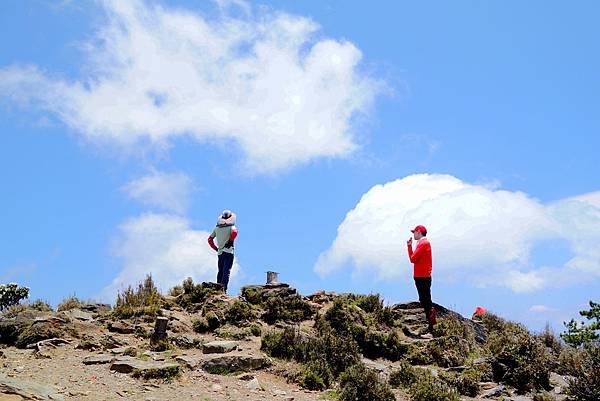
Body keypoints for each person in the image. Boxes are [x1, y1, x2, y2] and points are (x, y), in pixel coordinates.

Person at [407, 224, 436, 333]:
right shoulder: (422, 243)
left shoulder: (424, 243)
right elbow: (413, 259)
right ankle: (430, 325)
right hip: (421, 276)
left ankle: (431, 326)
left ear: (419, 232)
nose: (413, 234)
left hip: (422, 276)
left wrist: (409, 247)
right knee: (424, 300)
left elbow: (413, 259)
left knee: (426, 301)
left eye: (414, 232)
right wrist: (410, 246)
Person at [208, 210, 238, 293]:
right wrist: (230, 241)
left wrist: (215, 248)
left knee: (220, 271)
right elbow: (235, 232)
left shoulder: (217, 228)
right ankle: (223, 289)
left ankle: (218, 288)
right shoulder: (231, 227)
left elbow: (210, 239)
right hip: (229, 252)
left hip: (220, 253)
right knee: (226, 271)